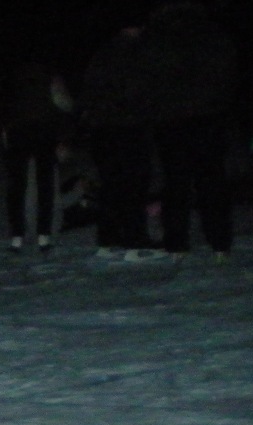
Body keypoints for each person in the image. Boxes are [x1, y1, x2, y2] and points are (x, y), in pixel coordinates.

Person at [137, 1, 239, 260]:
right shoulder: (212, 33)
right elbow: (229, 74)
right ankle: (220, 243)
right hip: (208, 117)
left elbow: (145, 80)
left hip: (171, 120)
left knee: (175, 182)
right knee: (212, 180)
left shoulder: (155, 36)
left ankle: (177, 244)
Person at [79, 14, 161, 261]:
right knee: (134, 185)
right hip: (127, 127)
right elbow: (138, 92)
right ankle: (135, 241)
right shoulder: (136, 53)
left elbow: (89, 92)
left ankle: (109, 240)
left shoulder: (102, 53)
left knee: (111, 185)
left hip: (101, 129)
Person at [1, 57, 75, 254]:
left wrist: (5, 129)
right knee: (45, 185)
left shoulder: (13, 74)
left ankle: (17, 236)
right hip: (44, 131)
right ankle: (43, 235)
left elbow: (5, 105)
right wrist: (64, 136)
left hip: (18, 130)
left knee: (17, 186)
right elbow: (63, 103)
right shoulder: (50, 74)